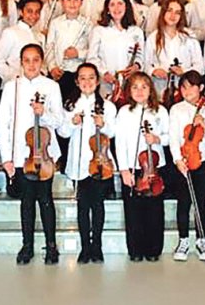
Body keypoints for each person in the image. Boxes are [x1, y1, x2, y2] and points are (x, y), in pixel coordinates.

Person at [0, 44, 64, 265]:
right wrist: (6, 157)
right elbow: (4, 123)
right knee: (26, 201)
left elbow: (59, 121)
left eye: (36, 60)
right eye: (27, 60)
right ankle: (27, 245)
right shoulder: (11, 87)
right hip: (21, 154)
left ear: (42, 62)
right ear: (21, 62)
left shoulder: (52, 86)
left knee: (46, 200)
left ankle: (51, 246)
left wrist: (43, 113)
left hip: (44, 154)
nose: (31, 64)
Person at [57, 62, 116, 263]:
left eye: (91, 77)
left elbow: (113, 132)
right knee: (83, 206)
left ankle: (97, 246)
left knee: (98, 205)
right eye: (82, 78)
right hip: (79, 161)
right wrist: (72, 123)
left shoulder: (107, 106)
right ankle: (84, 247)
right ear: (76, 81)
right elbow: (62, 132)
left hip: (100, 162)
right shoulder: (70, 105)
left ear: (97, 81)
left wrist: (104, 124)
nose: (87, 82)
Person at [115, 72, 169, 262]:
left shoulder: (160, 111)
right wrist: (123, 169)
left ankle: (153, 249)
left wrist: (157, 138)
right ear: (129, 90)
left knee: (154, 210)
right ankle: (135, 249)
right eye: (135, 87)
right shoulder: (123, 112)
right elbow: (119, 142)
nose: (139, 91)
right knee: (133, 210)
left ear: (151, 90)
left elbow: (170, 137)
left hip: (153, 168)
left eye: (144, 87)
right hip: (132, 168)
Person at [168, 70, 205, 262]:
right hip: (183, 161)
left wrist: (204, 125)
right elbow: (173, 137)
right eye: (184, 87)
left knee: (200, 201)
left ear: (201, 88)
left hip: (202, 160)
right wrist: (178, 159)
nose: (187, 90)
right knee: (184, 202)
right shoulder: (176, 109)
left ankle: (201, 239)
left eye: (191, 86)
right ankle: (183, 240)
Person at [86, 0, 145, 99]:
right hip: (106, 84)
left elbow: (141, 57)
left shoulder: (136, 31)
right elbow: (91, 58)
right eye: (112, 5)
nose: (116, 8)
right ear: (107, 9)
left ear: (126, 7)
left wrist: (136, 66)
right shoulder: (99, 31)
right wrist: (104, 73)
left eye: (120, 4)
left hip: (131, 84)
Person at [145, 0, 203, 102]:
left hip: (185, 92)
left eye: (177, 12)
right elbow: (145, 65)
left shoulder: (189, 36)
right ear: (163, 13)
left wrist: (184, 71)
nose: (173, 15)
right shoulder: (152, 37)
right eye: (169, 11)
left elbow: (200, 67)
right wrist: (154, 71)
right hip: (160, 91)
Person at [45, 0, 91, 100]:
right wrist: (52, 67)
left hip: (79, 74)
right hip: (59, 72)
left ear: (81, 2)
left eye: (76, 0)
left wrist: (78, 54)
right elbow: (49, 47)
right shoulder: (55, 23)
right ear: (62, 2)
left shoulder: (88, 24)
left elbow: (93, 51)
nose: (72, 3)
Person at [0, 0, 44, 83]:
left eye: (37, 12)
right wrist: (16, 78)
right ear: (21, 12)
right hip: (15, 84)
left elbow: (42, 63)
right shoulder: (10, 32)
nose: (34, 15)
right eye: (29, 11)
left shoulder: (40, 36)